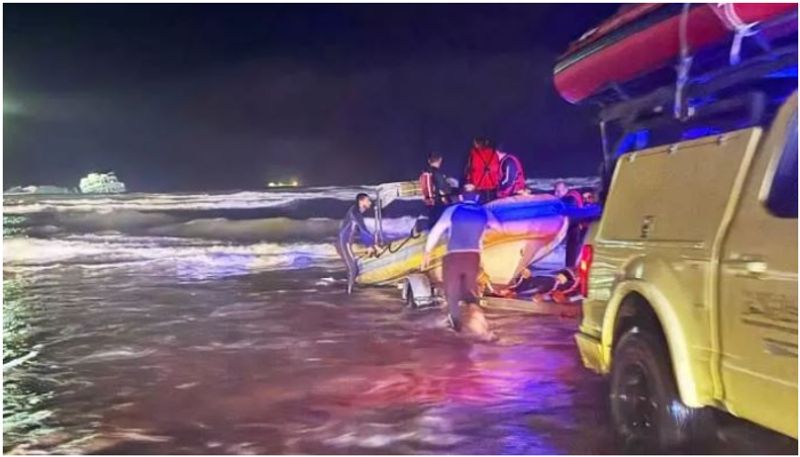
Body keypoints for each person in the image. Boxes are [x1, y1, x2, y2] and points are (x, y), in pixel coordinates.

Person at [421, 189, 500, 331]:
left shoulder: (452, 210)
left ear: (461, 196)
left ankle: (457, 329)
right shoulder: (484, 212)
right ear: (476, 197)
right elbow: (499, 227)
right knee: (471, 297)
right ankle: (482, 329)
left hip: (454, 257)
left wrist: (427, 251)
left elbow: (436, 231)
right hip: (473, 257)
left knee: (452, 296)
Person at [337, 193, 377, 294]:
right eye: (367, 200)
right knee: (353, 268)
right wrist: (370, 245)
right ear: (361, 201)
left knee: (354, 267)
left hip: (347, 242)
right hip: (344, 242)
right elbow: (363, 229)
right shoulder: (355, 212)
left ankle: (350, 288)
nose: (370, 202)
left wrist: (370, 244)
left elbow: (360, 230)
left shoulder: (356, 211)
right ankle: (349, 294)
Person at [554, 180, 587, 268]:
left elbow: (569, 203)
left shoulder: (571, 197)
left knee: (574, 248)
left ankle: (571, 268)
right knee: (571, 247)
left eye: (558, 191)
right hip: (575, 225)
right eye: (555, 191)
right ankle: (570, 267)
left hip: (579, 226)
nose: (556, 194)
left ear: (566, 190)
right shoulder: (569, 197)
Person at [419, 152, 454, 228]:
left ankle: (431, 233)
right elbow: (443, 187)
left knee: (432, 219)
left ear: (429, 161)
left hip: (429, 200)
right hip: (438, 200)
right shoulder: (437, 173)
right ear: (440, 160)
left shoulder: (425, 172)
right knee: (439, 220)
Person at [464, 137, 501, 203]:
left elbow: (468, 170)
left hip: (478, 187)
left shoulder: (473, 153)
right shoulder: (493, 153)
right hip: (493, 186)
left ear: (476, 143)